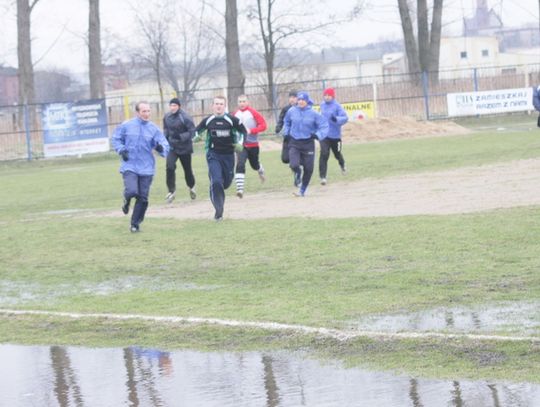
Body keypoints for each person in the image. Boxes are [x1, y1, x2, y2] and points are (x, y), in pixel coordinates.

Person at [112, 101, 169, 233]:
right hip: (129, 165)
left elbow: (164, 145)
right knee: (132, 191)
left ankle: (135, 224)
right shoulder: (127, 125)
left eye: (149, 111)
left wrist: (161, 149)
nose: (147, 114)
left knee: (143, 198)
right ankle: (126, 199)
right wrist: (121, 150)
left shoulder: (153, 129)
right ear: (137, 112)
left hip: (147, 167)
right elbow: (115, 138)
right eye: (144, 111)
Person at [194, 95, 246, 221]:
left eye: (221, 104)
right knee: (216, 182)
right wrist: (195, 137)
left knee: (226, 183)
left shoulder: (232, 120)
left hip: (228, 156)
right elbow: (196, 131)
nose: (218, 106)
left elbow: (243, 132)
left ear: (225, 106)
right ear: (212, 106)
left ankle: (218, 188)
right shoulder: (208, 120)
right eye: (216, 103)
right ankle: (219, 211)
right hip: (213, 154)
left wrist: (240, 143)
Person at [281, 91, 328, 197]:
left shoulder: (314, 113)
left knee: (309, 168)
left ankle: (302, 191)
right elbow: (287, 122)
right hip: (294, 142)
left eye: (303, 100)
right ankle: (297, 173)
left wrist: (318, 135)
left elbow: (324, 125)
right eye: (299, 100)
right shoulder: (291, 111)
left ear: (307, 101)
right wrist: (286, 132)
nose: (301, 102)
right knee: (293, 164)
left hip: (308, 143)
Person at [233, 94, 268, 198]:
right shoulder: (235, 114)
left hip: (253, 145)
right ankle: (240, 189)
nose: (242, 103)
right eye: (240, 101)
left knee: (254, 165)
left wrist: (251, 131)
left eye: (244, 101)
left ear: (248, 102)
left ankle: (260, 169)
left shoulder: (253, 113)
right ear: (237, 103)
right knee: (240, 164)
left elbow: (264, 126)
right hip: (241, 145)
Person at [163, 97, 197, 203]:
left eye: (175, 105)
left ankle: (191, 187)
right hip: (172, 147)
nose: (172, 108)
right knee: (169, 167)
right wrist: (164, 140)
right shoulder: (167, 117)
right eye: (171, 105)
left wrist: (181, 136)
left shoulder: (185, 117)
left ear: (179, 106)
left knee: (187, 170)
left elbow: (192, 131)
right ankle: (171, 191)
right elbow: (165, 129)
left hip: (185, 148)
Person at [318, 87, 349, 185]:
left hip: (335, 136)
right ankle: (323, 177)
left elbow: (345, 118)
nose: (326, 97)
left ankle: (342, 164)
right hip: (324, 135)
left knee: (337, 154)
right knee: (324, 153)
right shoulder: (322, 105)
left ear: (333, 96)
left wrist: (336, 119)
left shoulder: (337, 106)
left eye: (329, 95)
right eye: (325, 95)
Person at [275, 90, 297, 164]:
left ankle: (297, 166)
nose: (292, 99)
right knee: (285, 159)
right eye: (290, 97)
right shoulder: (285, 109)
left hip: (298, 136)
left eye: (294, 97)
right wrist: (278, 127)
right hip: (287, 136)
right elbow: (281, 119)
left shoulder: (301, 109)